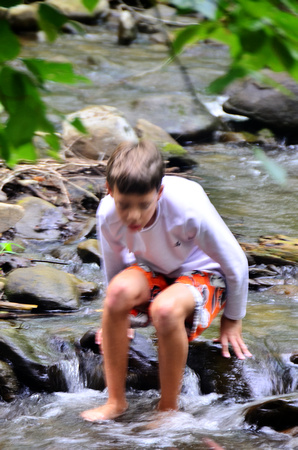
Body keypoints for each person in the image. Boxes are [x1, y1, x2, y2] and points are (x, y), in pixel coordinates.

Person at [80, 140, 252, 422]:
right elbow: (115, 266)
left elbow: (236, 262)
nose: (133, 216)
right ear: (110, 191)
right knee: (117, 293)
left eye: (143, 205)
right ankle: (115, 401)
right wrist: (117, 316)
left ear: (159, 193)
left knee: (165, 309)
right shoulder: (107, 213)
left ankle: (168, 408)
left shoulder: (187, 209)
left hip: (206, 274)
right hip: (156, 269)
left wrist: (233, 318)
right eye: (124, 205)